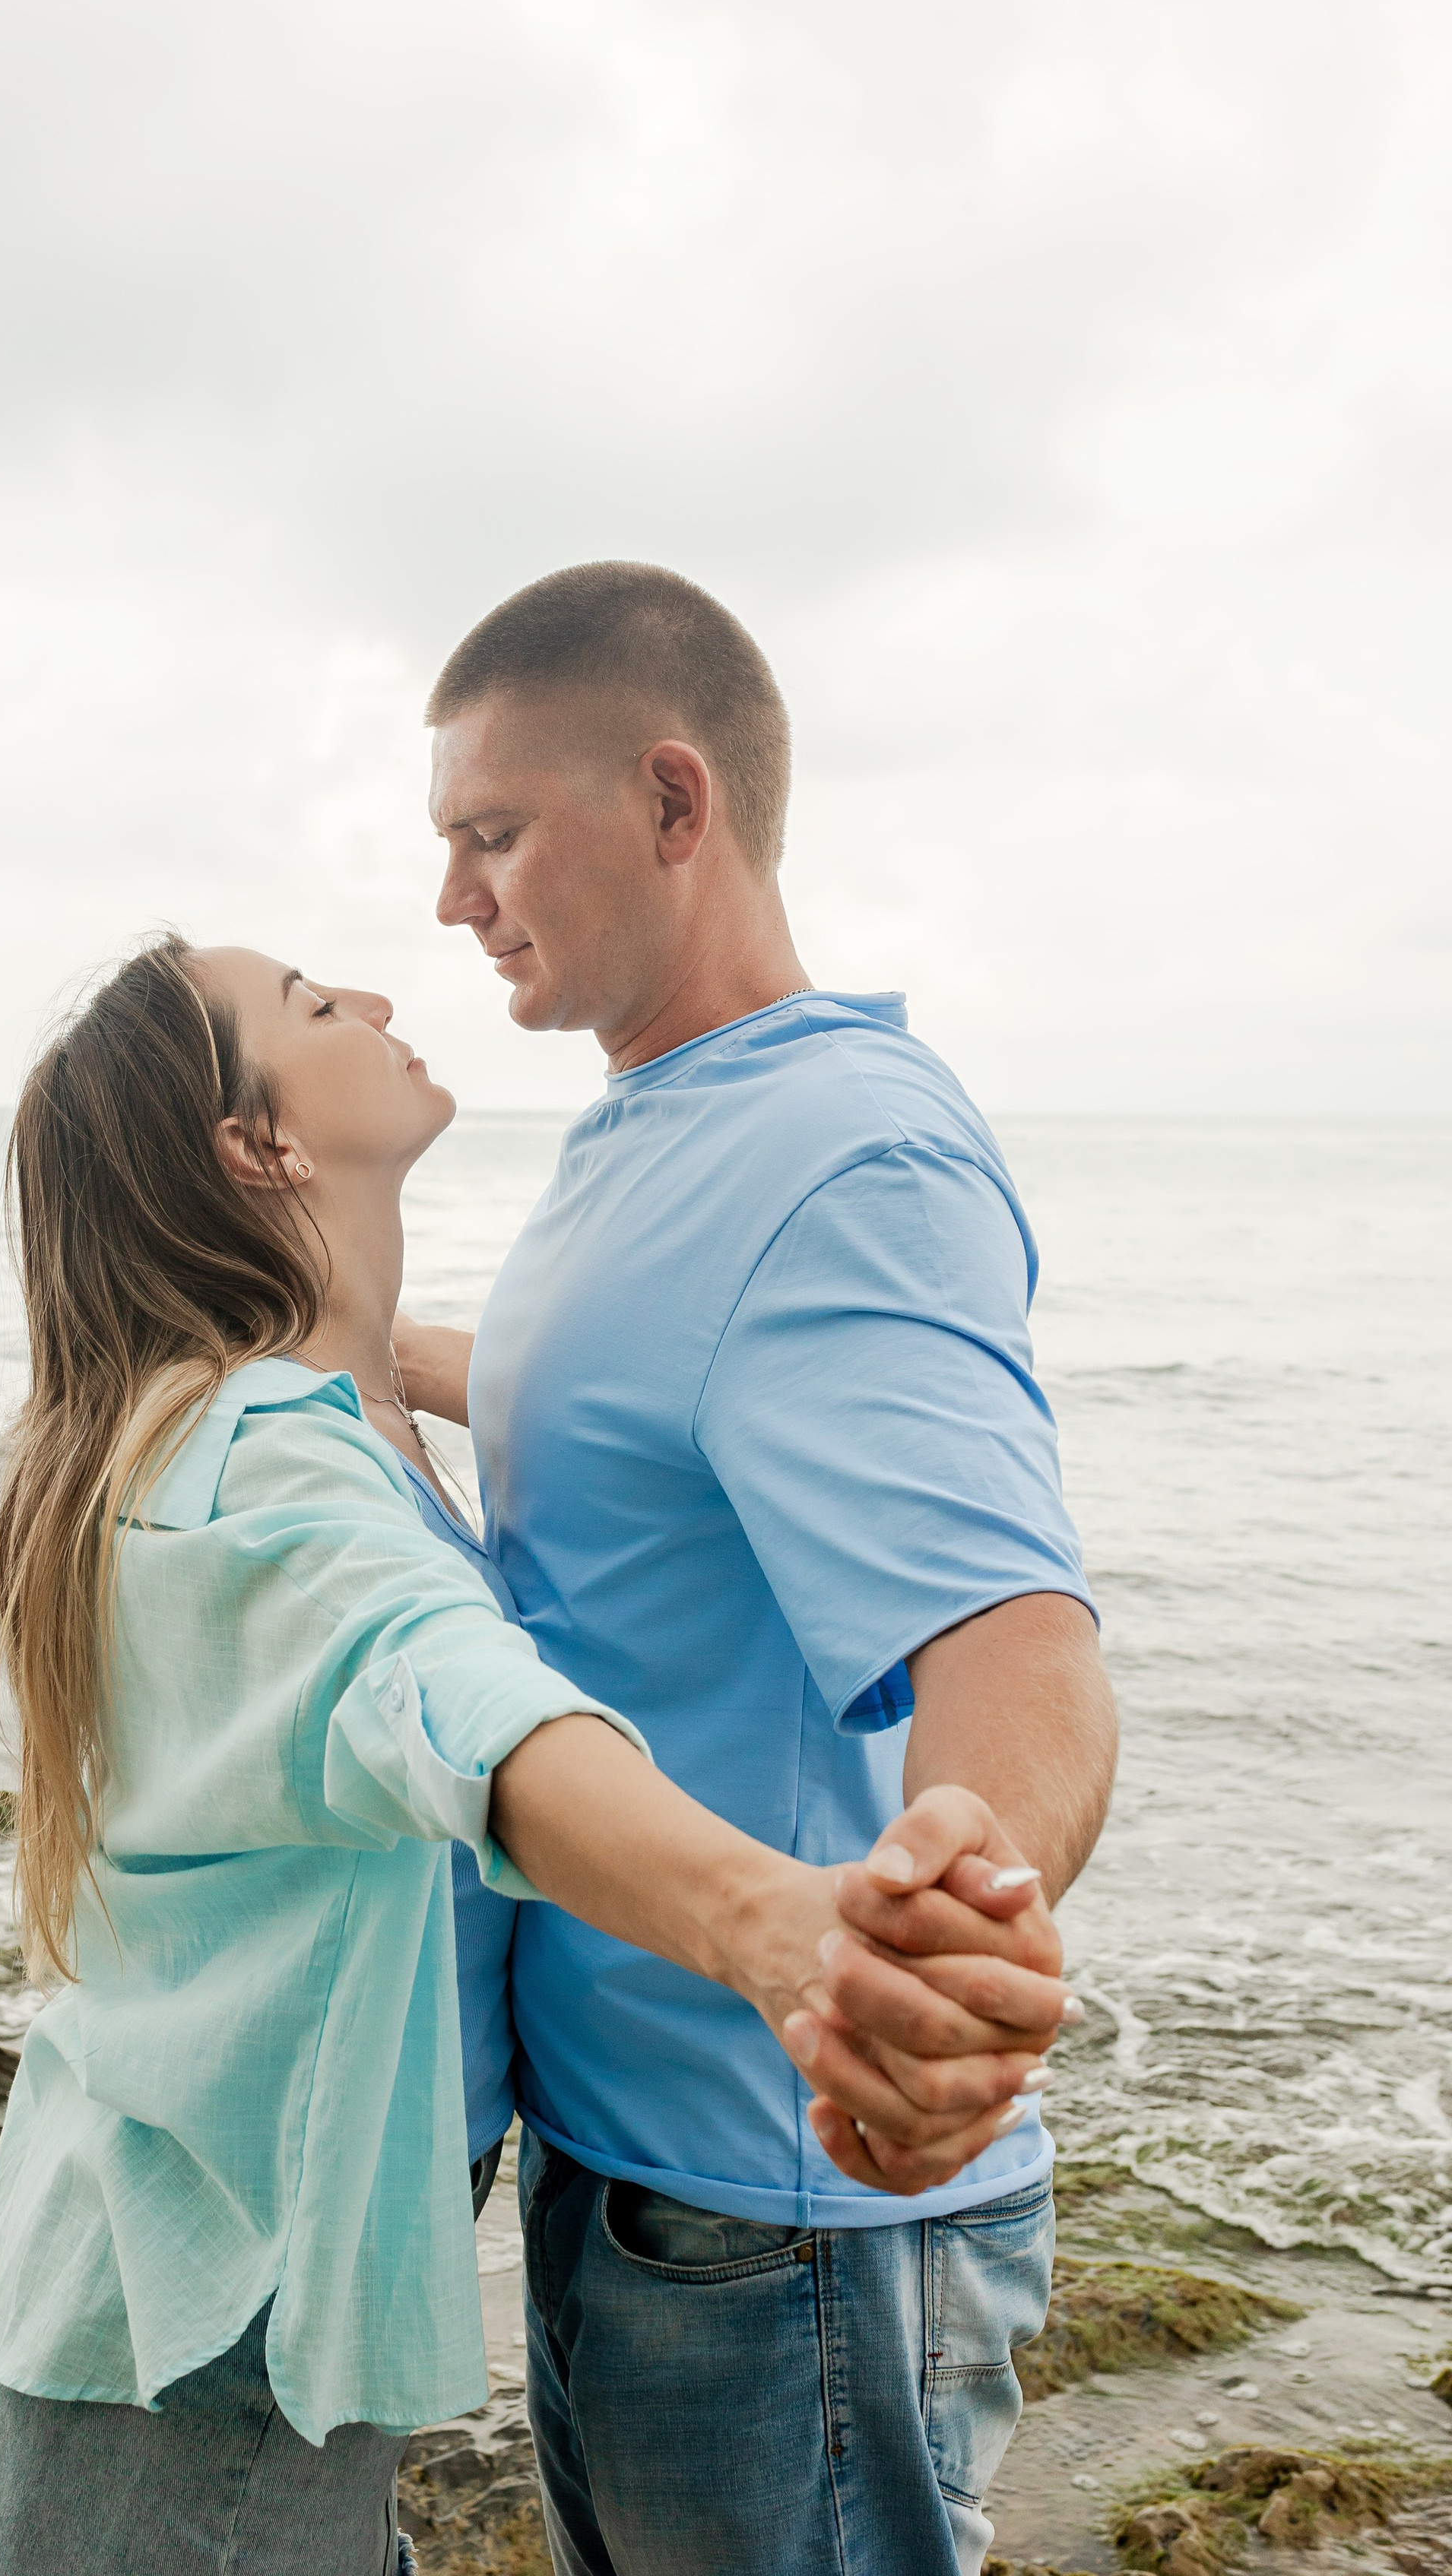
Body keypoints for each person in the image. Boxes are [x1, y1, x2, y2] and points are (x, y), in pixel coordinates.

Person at [0, 935, 1072, 2576]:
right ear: (257, 1148)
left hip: (233, 2301)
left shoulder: (318, 1418)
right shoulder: (254, 1470)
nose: (383, 1001)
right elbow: (460, 1707)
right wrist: (775, 1927)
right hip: (187, 2349)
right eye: (315, 1008)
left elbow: (567, 1429)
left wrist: (433, 1355)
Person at [397, 560, 1119, 2576]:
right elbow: (624, 1420)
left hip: (780, 2223)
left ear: (674, 802)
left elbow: (1018, 1637)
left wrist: (945, 1935)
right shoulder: (646, 1121)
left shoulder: (839, 1155)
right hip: (632, 2173)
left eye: (492, 835)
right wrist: (343, 1346)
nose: (458, 899)